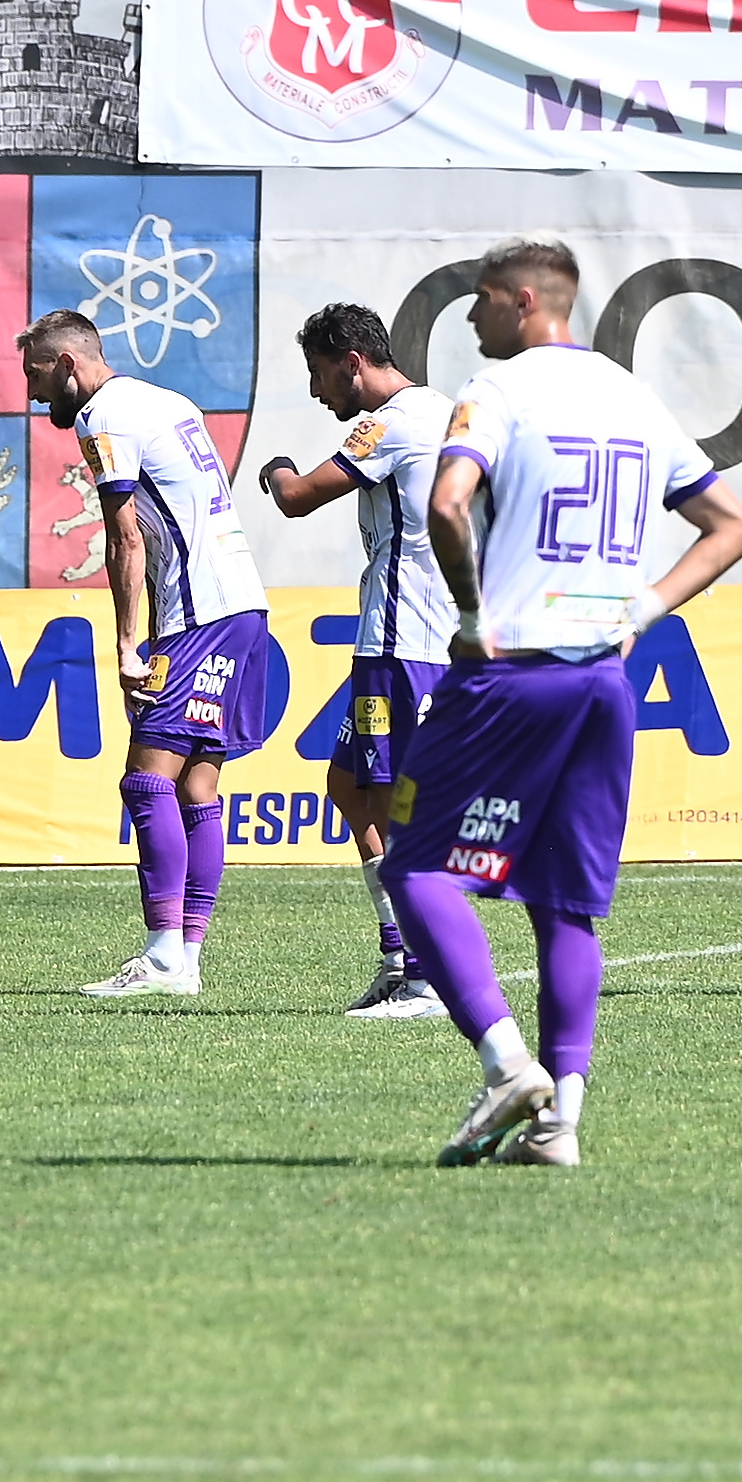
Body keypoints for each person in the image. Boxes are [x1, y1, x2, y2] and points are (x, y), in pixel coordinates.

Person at [383, 240, 742, 1168]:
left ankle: (505, 1063)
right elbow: (733, 528)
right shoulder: (633, 397)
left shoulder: (498, 391)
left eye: (477, 302)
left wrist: (470, 615)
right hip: (600, 679)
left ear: (519, 302)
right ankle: (559, 1128)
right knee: (563, 904)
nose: (469, 320)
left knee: (415, 868)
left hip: (511, 671)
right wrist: (639, 610)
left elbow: (448, 500)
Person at [17, 309, 270, 998]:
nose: (34, 393)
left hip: (199, 616)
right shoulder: (166, 400)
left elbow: (125, 539)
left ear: (68, 364)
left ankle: (163, 957)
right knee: (196, 786)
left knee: (146, 781)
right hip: (242, 605)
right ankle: (182, 959)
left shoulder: (103, 418)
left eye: (36, 375)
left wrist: (128, 643)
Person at [256, 303, 454, 1021]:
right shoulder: (443, 410)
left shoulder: (390, 420)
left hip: (404, 640)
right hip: (412, 636)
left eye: (317, 374)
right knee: (347, 783)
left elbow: (298, 498)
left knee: (397, 803)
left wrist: (272, 468)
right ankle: (400, 954)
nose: (316, 393)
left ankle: (427, 975)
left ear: (350, 361)